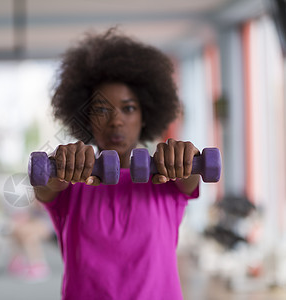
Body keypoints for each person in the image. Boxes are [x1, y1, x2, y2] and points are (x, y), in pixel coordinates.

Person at [33, 27, 201, 299]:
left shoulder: (166, 176)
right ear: (86, 118)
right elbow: (43, 185)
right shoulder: (70, 181)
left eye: (128, 108)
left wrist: (186, 157)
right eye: (101, 109)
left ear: (144, 115)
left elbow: (189, 177)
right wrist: (61, 164)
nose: (116, 121)